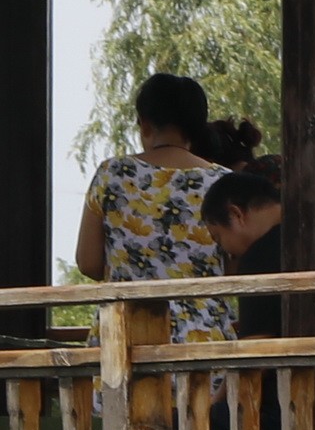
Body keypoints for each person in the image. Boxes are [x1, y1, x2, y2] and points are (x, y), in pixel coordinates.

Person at [73, 72, 259, 341]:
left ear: (145, 124)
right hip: (203, 334)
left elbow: (88, 262)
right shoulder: (222, 182)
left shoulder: (112, 174)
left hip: (126, 335)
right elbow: (235, 265)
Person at [201, 162, 287, 340]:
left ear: (235, 215)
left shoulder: (258, 258)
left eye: (218, 237)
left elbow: (256, 349)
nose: (227, 252)